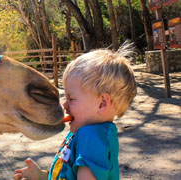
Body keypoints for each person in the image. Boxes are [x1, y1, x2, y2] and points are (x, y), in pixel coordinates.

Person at [13, 43, 137, 180]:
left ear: (102, 103)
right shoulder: (85, 132)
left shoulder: (92, 137)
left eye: (71, 98)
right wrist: (42, 176)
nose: (64, 104)